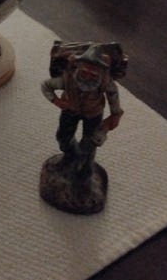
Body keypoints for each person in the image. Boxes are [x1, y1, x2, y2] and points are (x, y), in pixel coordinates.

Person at [41, 44, 123, 180]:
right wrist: (57, 101)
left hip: (93, 114)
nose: (88, 77)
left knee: (89, 144)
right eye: (84, 72)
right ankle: (71, 157)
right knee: (63, 137)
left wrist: (114, 115)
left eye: (93, 74)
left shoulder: (106, 82)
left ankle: (86, 170)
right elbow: (46, 86)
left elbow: (113, 98)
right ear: (78, 67)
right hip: (70, 110)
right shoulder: (67, 79)